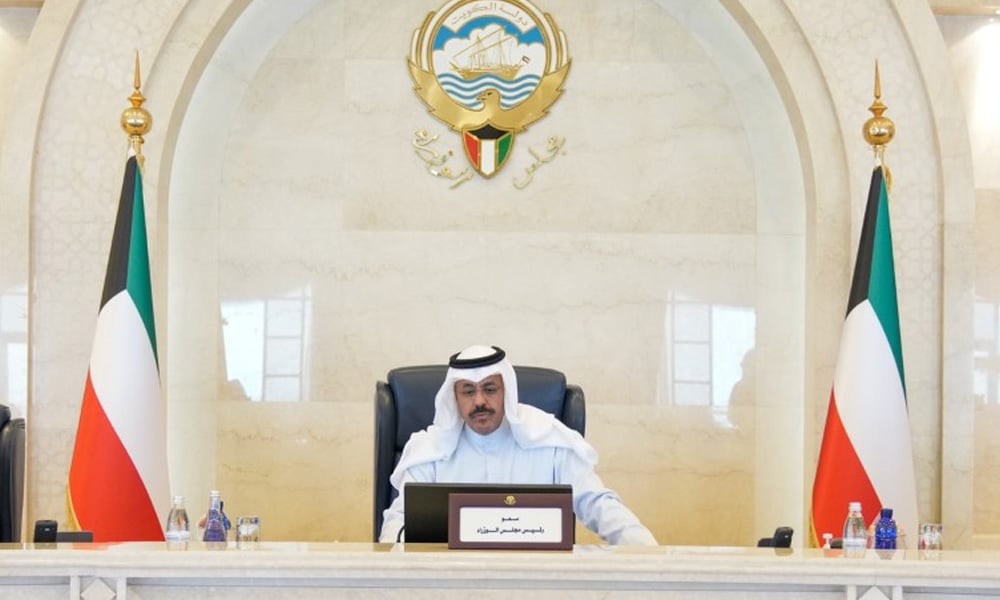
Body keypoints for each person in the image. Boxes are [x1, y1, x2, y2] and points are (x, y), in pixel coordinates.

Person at [378, 344, 657, 546]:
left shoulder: (547, 438)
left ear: (506, 391)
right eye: (468, 391)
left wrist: (648, 551)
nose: (479, 401)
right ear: (455, 397)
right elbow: (399, 521)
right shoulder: (430, 449)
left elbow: (597, 502)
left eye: (489, 389)